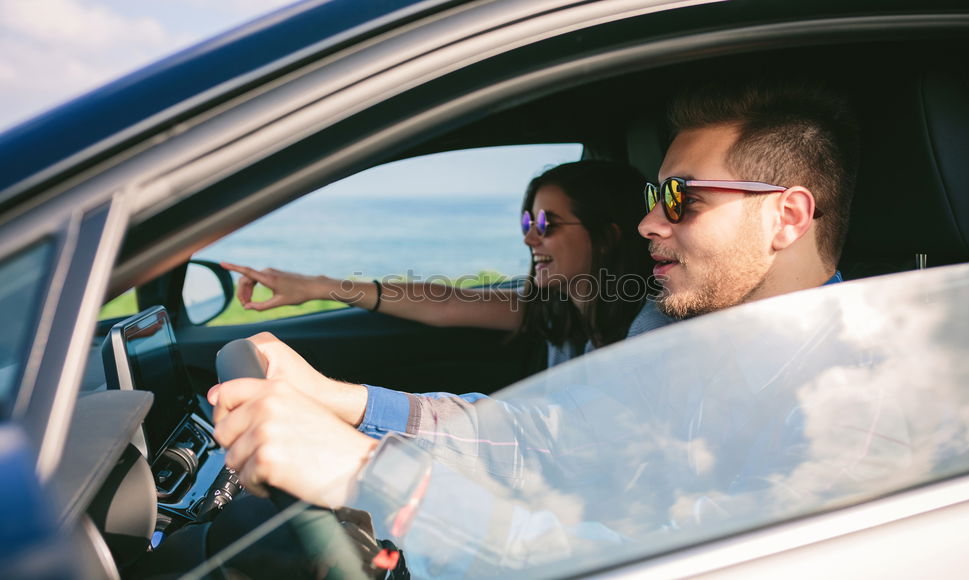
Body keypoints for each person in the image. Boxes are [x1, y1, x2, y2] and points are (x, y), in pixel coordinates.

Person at [206, 79, 861, 572]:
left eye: (680, 199)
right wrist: (341, 404)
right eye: (650, 197)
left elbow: (651, 561)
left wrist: (367, 472)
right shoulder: (679, 337)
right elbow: (542, 436)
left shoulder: (850, 410)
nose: (649, 224)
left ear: (788, 217)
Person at [221, 159, 671, 370]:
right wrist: (316, 287)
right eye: (527, 220)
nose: (529, 236)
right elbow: (444, 304)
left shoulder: (646, 329)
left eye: (547, 224)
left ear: (608, 235)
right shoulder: (561, 309)